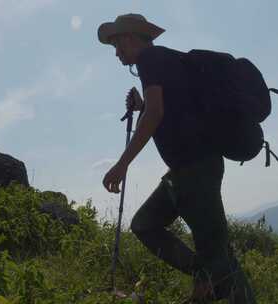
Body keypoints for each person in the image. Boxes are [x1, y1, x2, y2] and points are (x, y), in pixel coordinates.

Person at [98, 13, 257, 303]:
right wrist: (142, 104)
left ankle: (212, 282)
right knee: (146, 224)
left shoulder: (150, 60)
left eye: (117, 44)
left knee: (218, 253)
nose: (117, 52)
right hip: (188, 169)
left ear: (132, 37)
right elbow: (170, 110)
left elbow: (156, 114)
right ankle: (206, 279)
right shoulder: (164, 60)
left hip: (196, 169)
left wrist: (122, 165)